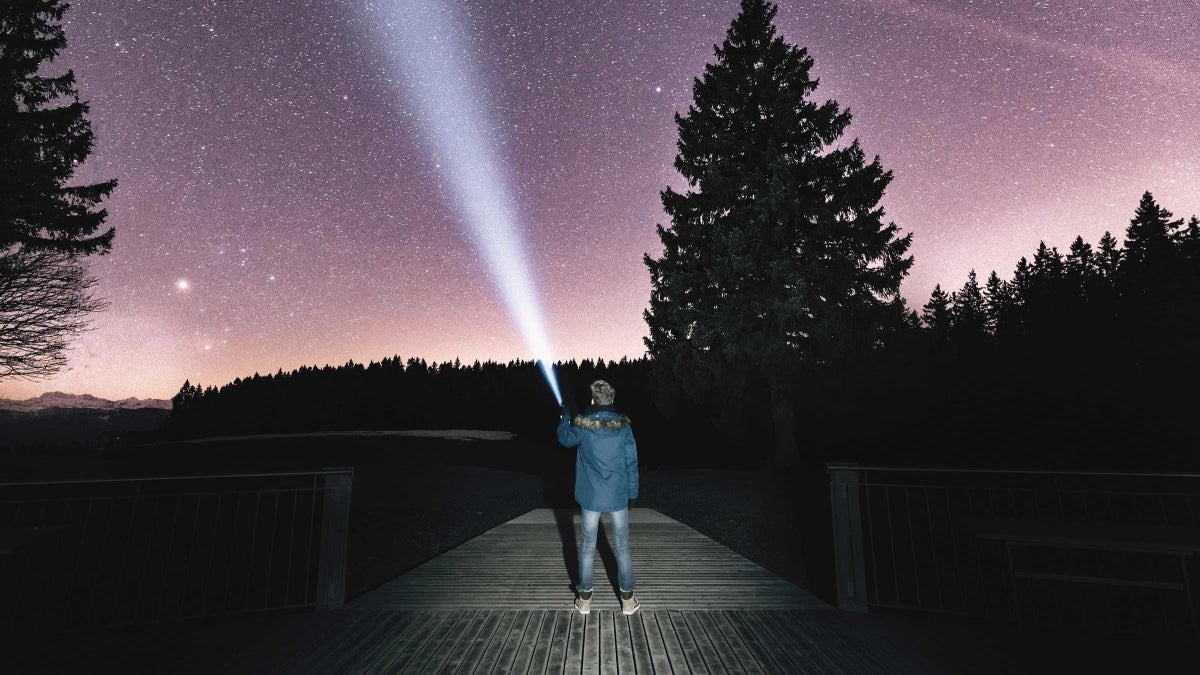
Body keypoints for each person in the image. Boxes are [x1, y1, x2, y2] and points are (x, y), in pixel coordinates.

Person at [556, 379, 640, 615]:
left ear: (592, 400)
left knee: (587, 547)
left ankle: (584, 601)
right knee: (623, 546)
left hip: (591, 497)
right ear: (611, 400)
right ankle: (627, 601)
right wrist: (632, 493)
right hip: (617, 496)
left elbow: (564, 438)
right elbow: (631, 463)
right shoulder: (624, 428)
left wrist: (564, 417)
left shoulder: (583, 426)